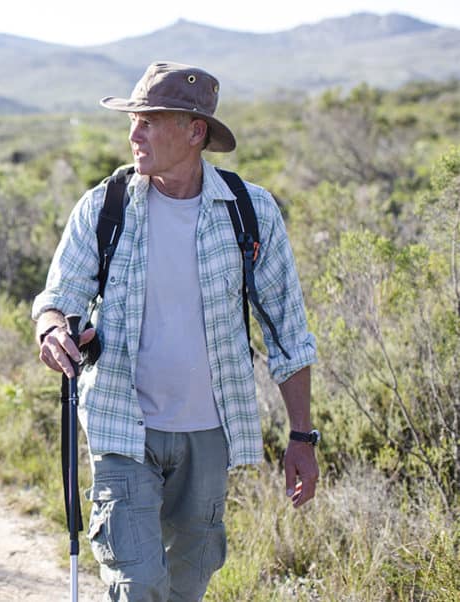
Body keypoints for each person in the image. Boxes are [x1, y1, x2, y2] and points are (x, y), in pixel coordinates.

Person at [32, 62, 319, 601]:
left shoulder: (249, 212)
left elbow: (289, 333)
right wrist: (53, 331)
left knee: (187, 587)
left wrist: (301, 437)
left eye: (148, 121)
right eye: (133, 121)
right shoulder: (104, 207)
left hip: (209, 434)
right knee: (137, 586)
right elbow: (57, 298)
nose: (133, 134)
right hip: (123, 427)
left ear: (195, 132)